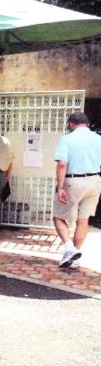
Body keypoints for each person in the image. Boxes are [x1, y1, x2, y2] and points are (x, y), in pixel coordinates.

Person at [53, 112, 101, 268]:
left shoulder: (68, 138)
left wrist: (60, 186)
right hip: (94, 180)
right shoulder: (99, 139)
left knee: (58, 216)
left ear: (71, 124)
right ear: (87, 124)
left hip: (73, 180)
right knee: (83, 219)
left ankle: (69, 248)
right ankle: (74, 256)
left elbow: (62, 164)